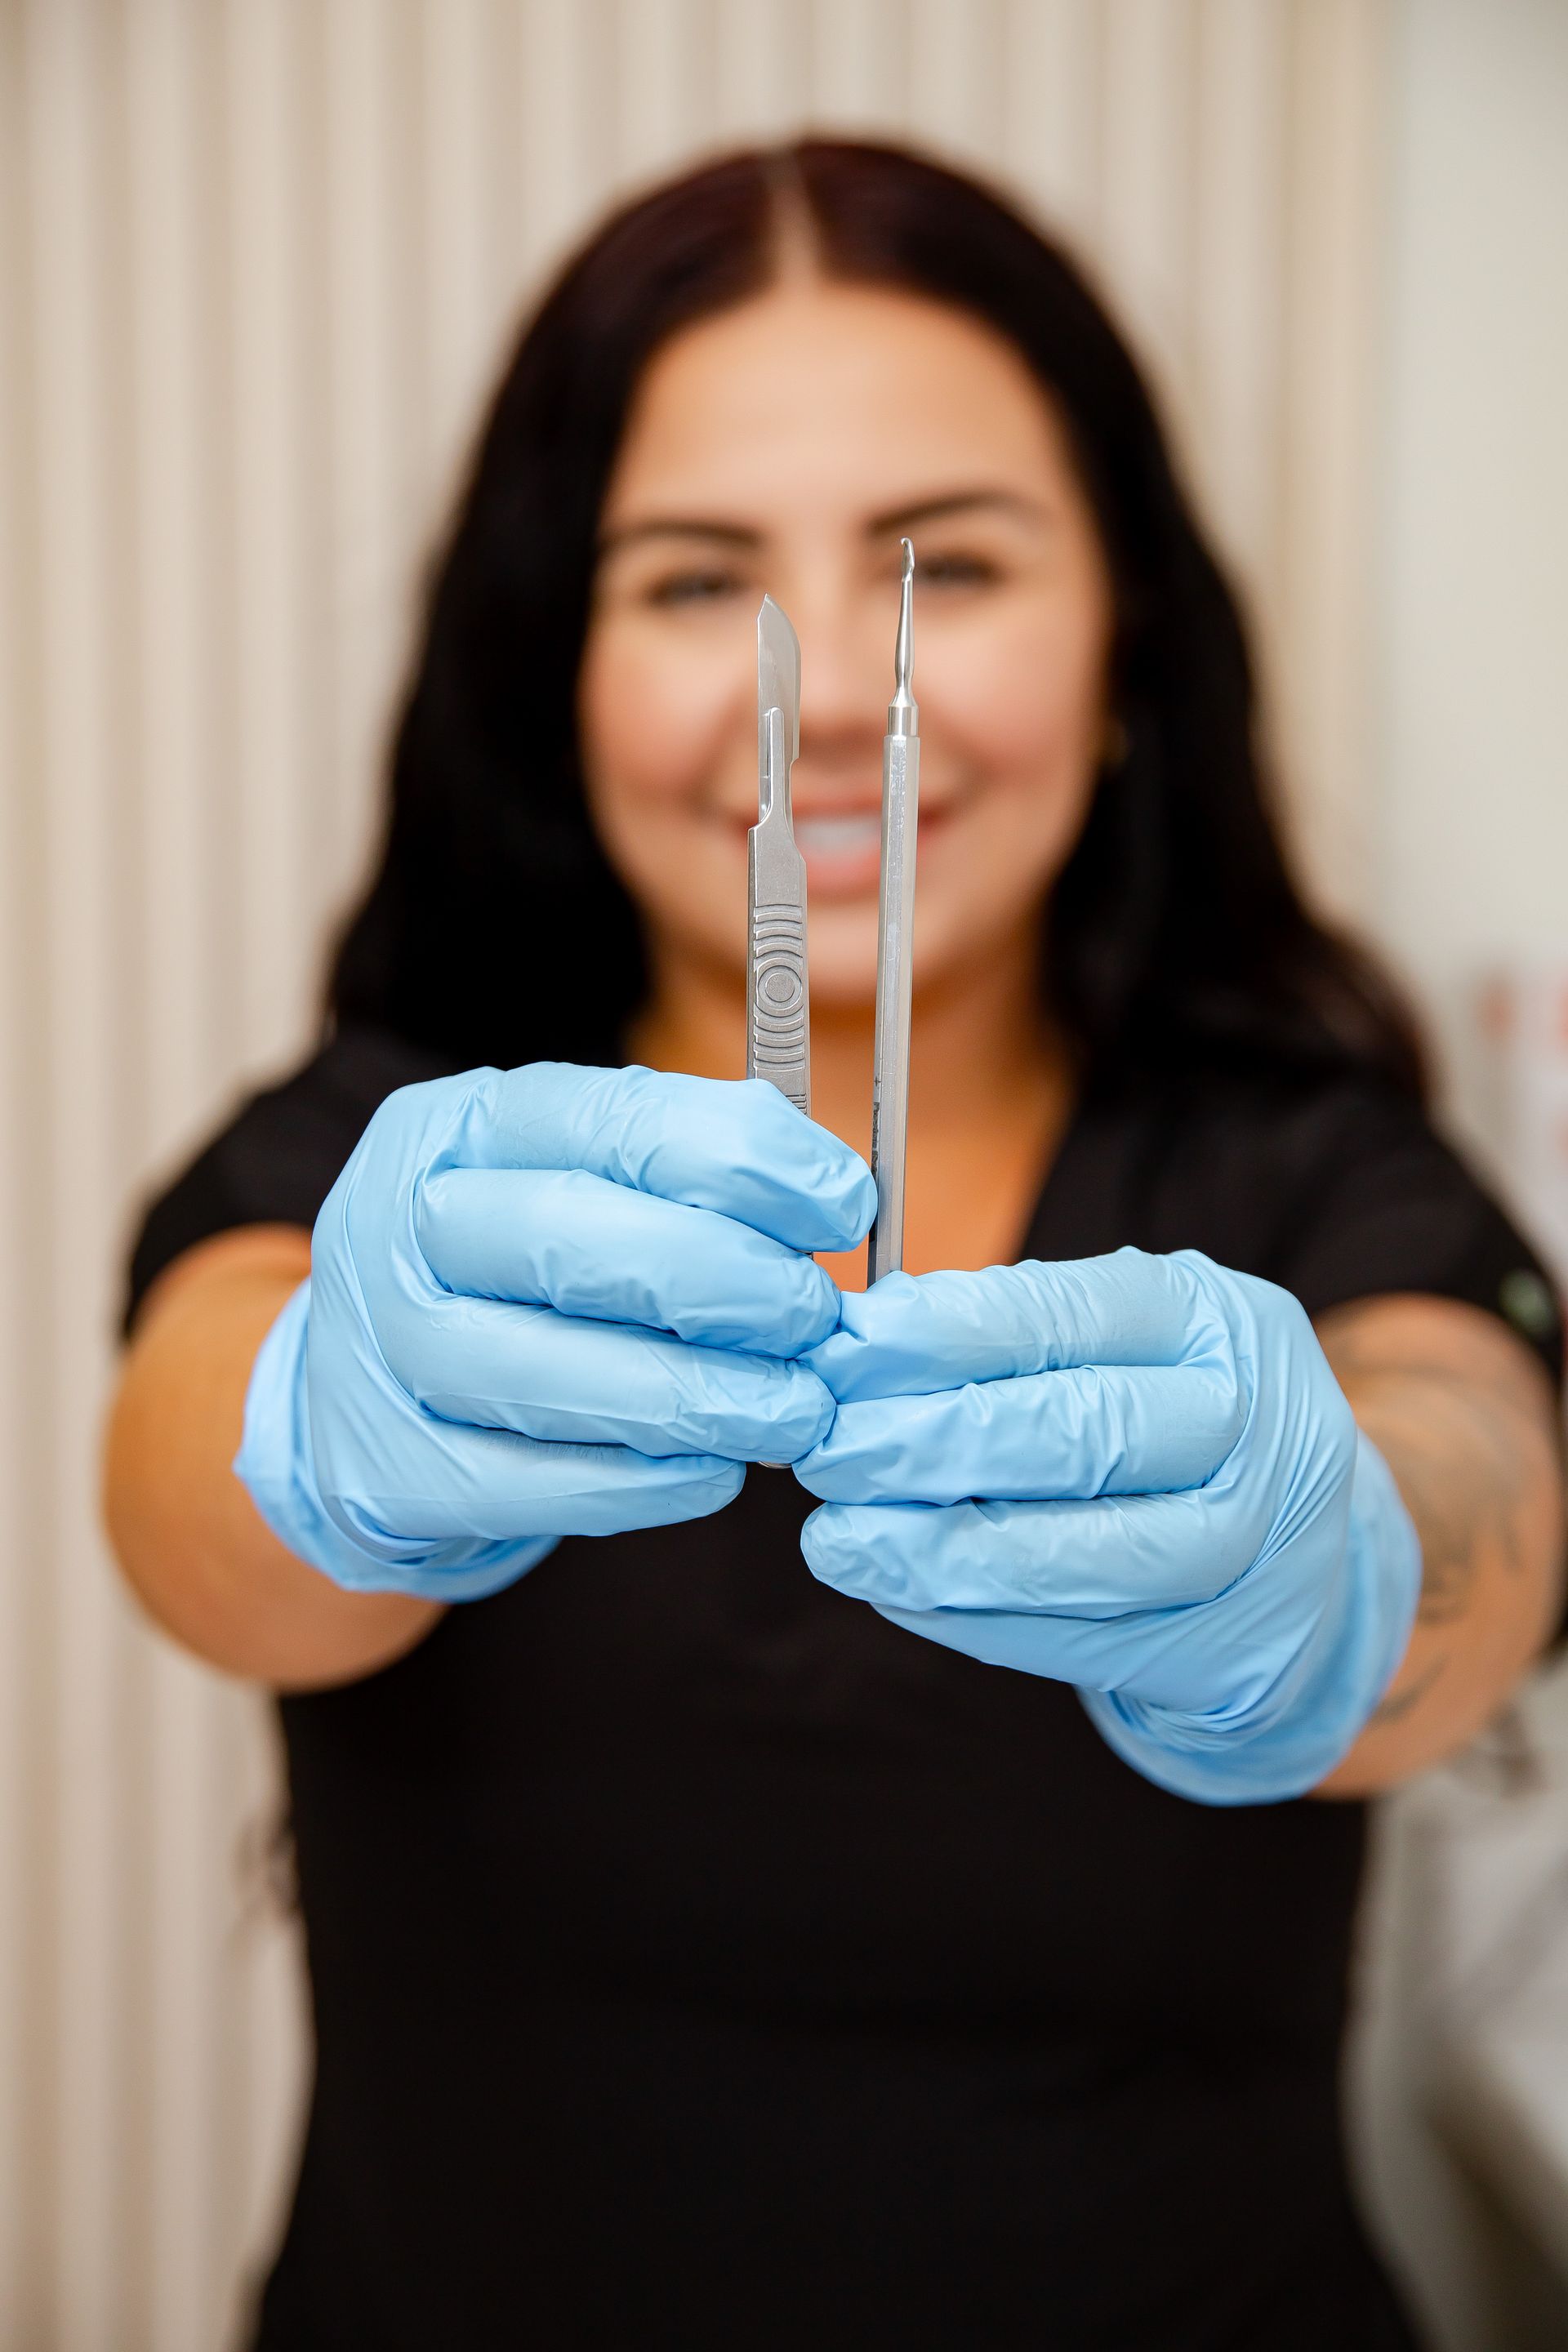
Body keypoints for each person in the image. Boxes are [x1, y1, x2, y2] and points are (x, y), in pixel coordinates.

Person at [105, 140, 1564, 2350]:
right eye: (697, 583)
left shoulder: (1315, 1168)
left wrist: (1354, 1561)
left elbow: (1481, 1469)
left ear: (1128, 629)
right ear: (556, 666)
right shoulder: (393, 1158)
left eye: (945, 565)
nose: (813, 704)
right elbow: (181, 1472)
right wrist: (320, 1413)